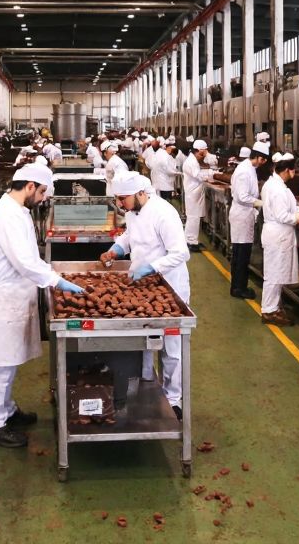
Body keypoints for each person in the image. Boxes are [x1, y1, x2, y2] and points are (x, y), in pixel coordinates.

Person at [0, 164, 85, 448]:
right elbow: (24, 262)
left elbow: (30, 256)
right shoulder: (7, 215)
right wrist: (56, 281)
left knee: (10, 359)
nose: (42, 198)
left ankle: (6, 410)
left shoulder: (18, 211)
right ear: (29, 186)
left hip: (15, 294)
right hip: (3, 298)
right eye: (41, 192)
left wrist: (52, 272)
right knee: (0, 364)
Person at [100, 171, 192, 418]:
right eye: (118, 199)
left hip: (169, 287)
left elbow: (181, 253)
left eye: (123, 198)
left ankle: (174, 399)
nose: (120, 204)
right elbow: (130, 236)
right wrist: (116, 249)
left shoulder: (164, 213)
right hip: (142, 287)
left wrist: (151, 267)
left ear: (140, 193)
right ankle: (146, 384)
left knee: (171, 347)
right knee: (143, 340)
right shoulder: (133, 211)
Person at [259, 152, 299, 326]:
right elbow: (282, 215)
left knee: (276, 273)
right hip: (277, 235)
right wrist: (297, 218)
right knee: (273, 274)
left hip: (277, 234)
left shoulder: (275, 184)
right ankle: (268, 311)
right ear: (286, 170)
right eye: (293, 170)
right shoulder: (277, 189)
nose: (294, 173)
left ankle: (273, 307)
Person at [229, 141, 270, 300]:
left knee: (242, 253)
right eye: (263, 160)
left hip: (245, 214)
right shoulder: (244, 171)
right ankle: (238, 288)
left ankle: (238, 286)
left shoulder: (250, 168)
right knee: (241, 254)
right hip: (242, 215)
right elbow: (242, 196)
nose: (263, 163)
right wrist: (261, 203)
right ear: (257, 157)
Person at [181, 140, 217, 251]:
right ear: (198, 151)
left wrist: (210, 171)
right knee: (193, 218)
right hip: (193, 194)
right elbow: (199, 175)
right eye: (203, 152)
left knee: (194, 218)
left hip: (194, 194)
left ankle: (191, 240)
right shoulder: (191, 162)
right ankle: (191, 242)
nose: (204, 154)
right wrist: (212, 173)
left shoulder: (193, 160)